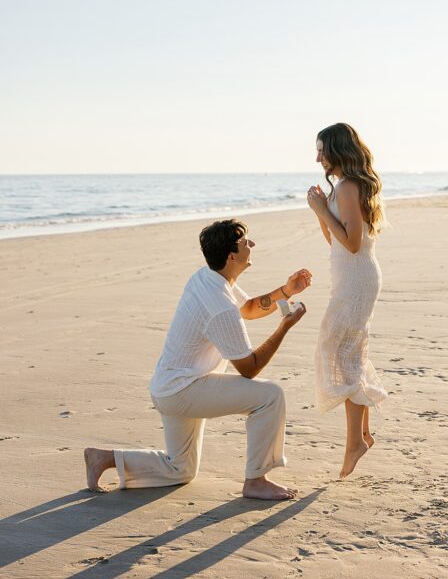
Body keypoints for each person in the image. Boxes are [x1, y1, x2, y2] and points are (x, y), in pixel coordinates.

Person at [83, 219, 312, 500]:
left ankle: (104, 458)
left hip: (169, 386)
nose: (251, 246)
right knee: (270, 395)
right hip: (184, 390)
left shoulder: (207, 277)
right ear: (232, 256)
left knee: (180, 469)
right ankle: (256, 480)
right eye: (245, 243)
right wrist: (284, 327)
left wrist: (287, 291)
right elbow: (249, 369)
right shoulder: (220, 305)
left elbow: (250, 308)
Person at [306, 123, 387, 479]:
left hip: (357, 279)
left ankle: (355, 440)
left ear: (338, 150)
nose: (318, 156)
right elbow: (336, 242)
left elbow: (353, 244)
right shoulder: (342, 188)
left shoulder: (351, 187)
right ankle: (363, 435)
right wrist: (321, 211)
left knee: (339, 351)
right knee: (348, 352)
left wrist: (324, 211)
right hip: (351, 277)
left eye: (322, 149)